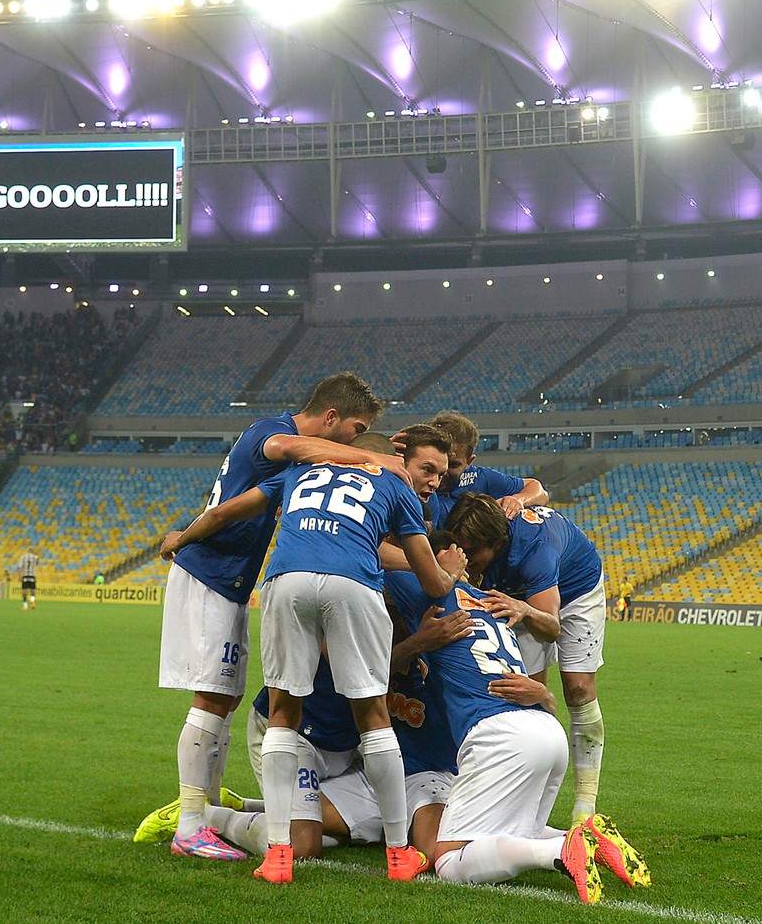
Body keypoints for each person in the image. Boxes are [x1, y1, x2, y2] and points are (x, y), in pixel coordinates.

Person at [166, 424, 464, 882]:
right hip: (352, 583)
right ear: (384, 458)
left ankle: (278, 856)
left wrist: (181, 538)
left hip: (285, 580)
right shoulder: (393, 482)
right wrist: (451, 574)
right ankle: (400, 856)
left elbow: (228, 511)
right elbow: (431, 582)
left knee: (284, 709)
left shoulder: (299, 471)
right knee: (373, 715)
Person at [143, 373, 404, 862]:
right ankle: (190, 824)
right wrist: (374, 458)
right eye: (355, 429)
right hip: (211, 574)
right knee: (212, 698)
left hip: (228, 579)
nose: (353, 442)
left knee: (226, 695)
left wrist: (371, 448)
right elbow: (288, 449)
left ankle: (204, 812)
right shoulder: (272, 433)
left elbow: (226, 510)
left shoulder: (305, 464)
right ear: (330, 418)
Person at [381, 537, 650, 902]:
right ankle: (584, 839)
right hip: (544, 730)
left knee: (447, 860)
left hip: (499, 737)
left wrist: (430, 566)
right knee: (513, 828)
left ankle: (557, 852)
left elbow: (370, 551)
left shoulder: (428, 593)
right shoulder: (493, 603)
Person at [442, 493, 609, 823]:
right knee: (521, 694)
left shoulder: (534, 552)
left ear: (497, 543)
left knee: (577, 690)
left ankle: (585, 806)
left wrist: (524, 609)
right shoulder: (478, 533)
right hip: (517, 594)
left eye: (473, 551)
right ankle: (515, 800)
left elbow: (550, 626)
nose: (466, 557)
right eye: (461, 548)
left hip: (574, 591)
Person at [423, 412, 548, 524]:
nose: (443, 471)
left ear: (469, 461)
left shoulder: (480, 479)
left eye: (453, 465)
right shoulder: (411, 483)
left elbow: (537, 489)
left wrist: (518, 499)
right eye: (433, 465)